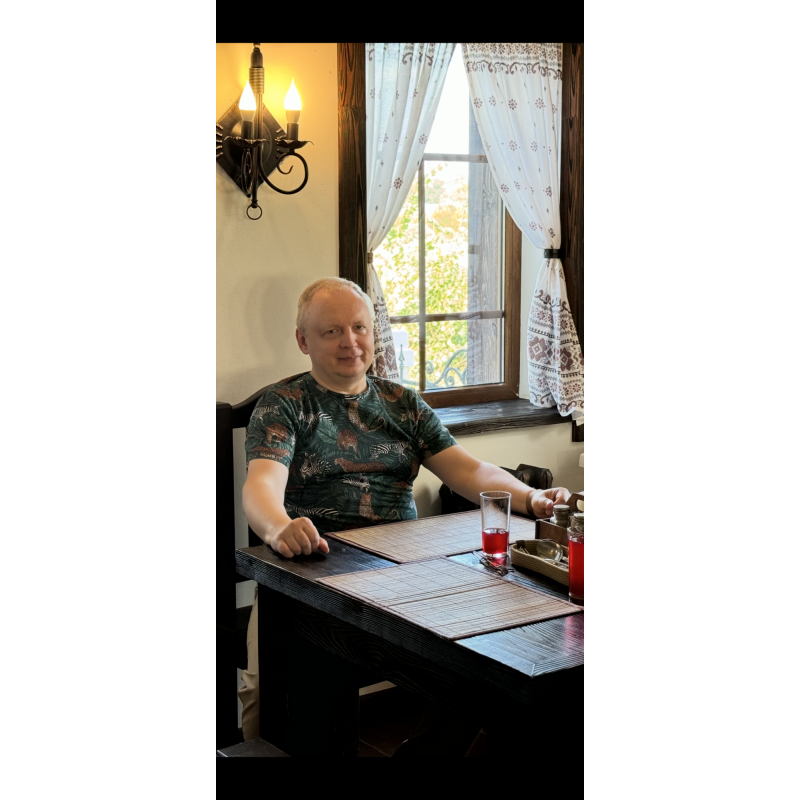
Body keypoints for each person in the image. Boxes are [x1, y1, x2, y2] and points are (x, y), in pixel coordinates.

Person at [238, 277, 570, 749]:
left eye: (359, 327)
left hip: (406, 573)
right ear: (303, 341)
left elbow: (468, 470)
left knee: (498, 656)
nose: (350, 342)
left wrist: (532, 498)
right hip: (314, 572)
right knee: (280, 704)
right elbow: (261, 484)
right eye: (331, 331)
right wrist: (278, 528)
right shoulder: (284, 404)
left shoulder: (402, 402)